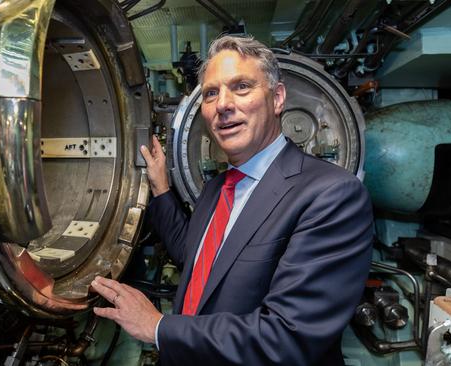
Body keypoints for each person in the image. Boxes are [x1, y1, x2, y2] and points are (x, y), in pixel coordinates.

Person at [90, 35, 373, 365]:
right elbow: (199, 261)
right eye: (211, 93)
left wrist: (159, 327)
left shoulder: (331, 194)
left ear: (278, 98)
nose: (223, 104)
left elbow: (289, 337)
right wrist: (161, 190)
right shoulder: (218, 189)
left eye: (241, 87)